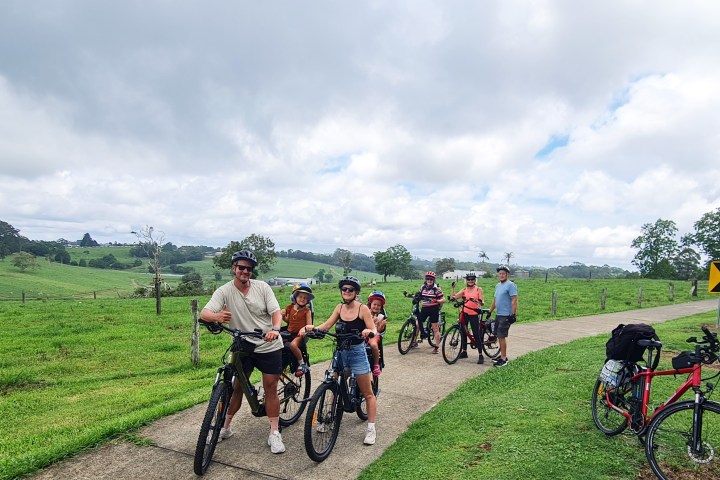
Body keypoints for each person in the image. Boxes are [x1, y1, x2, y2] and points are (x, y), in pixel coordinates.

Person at [200, 250, 287, 454]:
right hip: (243, 343)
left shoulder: (262, 287)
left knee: (270, 387)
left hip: (268, 343)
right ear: (234, 268)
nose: (245, 271)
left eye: (249, 268)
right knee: (237, 387)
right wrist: (217, 316)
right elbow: (205, 313)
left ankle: (274, 432)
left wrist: (275, 330)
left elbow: (276, 312)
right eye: (241, 267)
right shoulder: (224, 291)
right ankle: (225, 427)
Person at [299, 276, 379, 445]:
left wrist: (368, 331)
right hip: (340, 352)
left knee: (368, 394)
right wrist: (311, 328)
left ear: (356, 292)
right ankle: (328, 418)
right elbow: (327, 325)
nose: (347, 292)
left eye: (351, 289)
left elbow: (373, 328)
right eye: (344, 289)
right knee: (332, 382)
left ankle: (371, 429)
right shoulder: (339, 307)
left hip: (357, 353)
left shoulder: (363, 309)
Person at [451, 272, 485, 364]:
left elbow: (482, 302)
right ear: (466, 280)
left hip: (474, 313)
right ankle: (464, 352)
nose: (470, 281)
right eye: (468, 279)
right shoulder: (464, 289)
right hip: (464, 312)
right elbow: (454, 297)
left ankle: (480, 354)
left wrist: (477, 301)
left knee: (476, 333)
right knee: (463, 332)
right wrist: (453, 288)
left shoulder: (478, 289)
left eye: (472, 279)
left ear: (475, 280)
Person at [487, 265, 518, 367]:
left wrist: (513, 314)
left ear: (507, 274)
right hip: (498, 314)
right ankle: (501, 356)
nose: (501, 275)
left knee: (501, 336)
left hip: (506, 315)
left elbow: (514, 300)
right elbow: (495, 301)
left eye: (503, 273)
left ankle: (504, 359)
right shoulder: (497, 286)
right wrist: (490, 311)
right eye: (500, 274)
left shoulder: (511, 285)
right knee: (497, 335)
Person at [282, 283, 314, 376]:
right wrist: (283, 317)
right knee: (278, 343)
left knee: (293, 345)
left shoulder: (306, 311)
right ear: (295, 297)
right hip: (289, 332)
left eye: (305, 298)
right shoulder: (290, 308)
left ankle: (301, 363)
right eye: (300, 297)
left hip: (299, 334)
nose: (302, 299)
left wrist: (304, 328)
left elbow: (309, 325)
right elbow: (288, 320)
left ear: (307, 300)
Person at [415, 271, 445, 354]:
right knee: (418, 324)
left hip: (433, 309)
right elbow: (418, 294)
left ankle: (437, 347)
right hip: (424, 308)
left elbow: (443, 299)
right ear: (426, 279)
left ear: (433, 280)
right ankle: (413, 342)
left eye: (431, 279)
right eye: (428, 279)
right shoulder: (423, 287)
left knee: (435, 328)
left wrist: (437, 300)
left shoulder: (437, 289)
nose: (429, 280)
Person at [366, 291, 387, 376]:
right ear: (370, 304)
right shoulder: (365, 313)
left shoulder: (380, 317)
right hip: (364, 334)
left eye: (378, 305)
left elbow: (379, 330)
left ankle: (376, 364)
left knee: (374, 345)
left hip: (374, 335)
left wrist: (381, 325)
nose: (376, 307)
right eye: (374, 304)